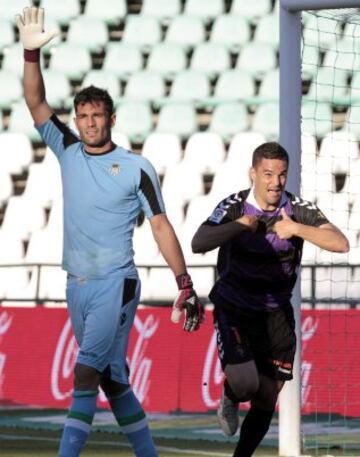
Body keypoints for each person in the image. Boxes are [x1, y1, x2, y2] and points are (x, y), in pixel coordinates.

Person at [16, 6, 204, 457]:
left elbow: (160, 225)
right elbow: (35, 102)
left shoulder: (136, 168)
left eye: (98, 116)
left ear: (112, 119)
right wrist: (29, 54)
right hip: (75, 284)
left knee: (84, 374)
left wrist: (184, 282)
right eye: (83, 116)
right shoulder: (67, 149)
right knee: (112, 380)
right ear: (77, 120)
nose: (90, 123)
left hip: (115, 284)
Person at [192, 141, 349, 457]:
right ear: (253, 173)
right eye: (268, 174)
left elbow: (340, 243)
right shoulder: (235, 206)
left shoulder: (297, 209)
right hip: (234, 306)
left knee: (266, 398)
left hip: (276, 312)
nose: (276, 182)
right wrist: (237, 227)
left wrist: (297, 229)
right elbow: (199, 242)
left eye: (282, 175)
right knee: (247, 384)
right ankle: (230, 393)